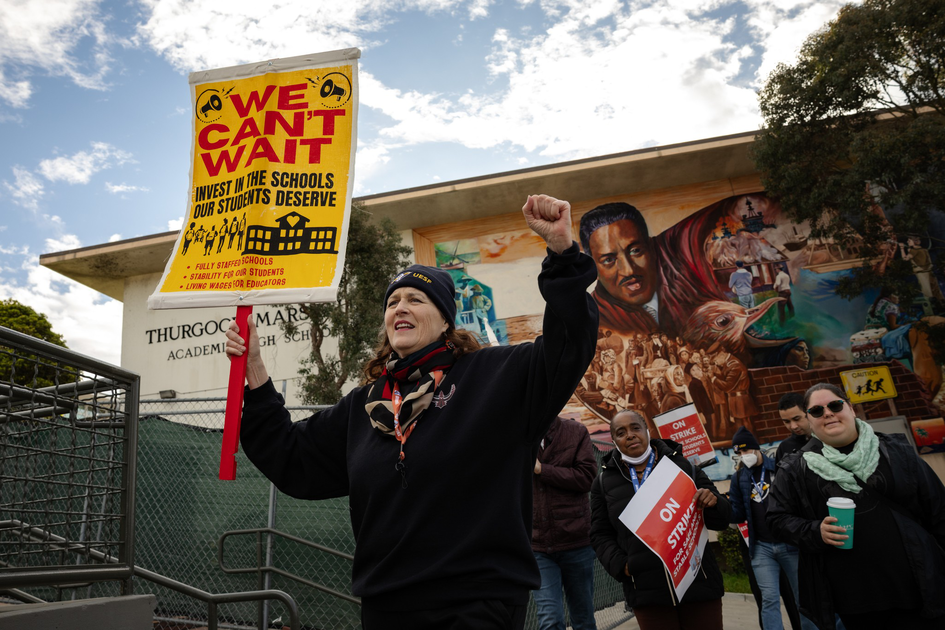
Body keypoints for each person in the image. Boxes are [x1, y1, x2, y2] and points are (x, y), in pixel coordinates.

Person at [224, 194, 599, 630]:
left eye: (416, 299)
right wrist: (254, 368)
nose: (400, 307)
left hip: (476, 602)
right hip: (387, 604)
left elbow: (568, 344)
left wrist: (562, 255)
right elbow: (291, 458)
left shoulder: (497, 377)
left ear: (445, 322)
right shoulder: (364, 405)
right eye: (392, 301)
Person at [767, 383, 945, 630]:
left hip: (918, 587)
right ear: (809, 420)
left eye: (835, 405)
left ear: (850, 408)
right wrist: (814, 531)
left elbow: (938, 510)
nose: (827, 413)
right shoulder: (796, 468)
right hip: (856, 600)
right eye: (817, 411)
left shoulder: (896, 452)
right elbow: (776, 519)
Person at [590, 410, 732, 630]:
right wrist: (623, 566)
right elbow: (600, 534)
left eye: (635, 428)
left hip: (699, 584)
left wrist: (713, 502)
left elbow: (722, 519)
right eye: (621, 432)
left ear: (647, 431)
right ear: (614, 441)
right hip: (648, 592)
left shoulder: (684, 468)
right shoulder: (602, 483)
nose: (630, 435)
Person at [729, 427, 816, 630]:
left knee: (802, 597)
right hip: (761, 548)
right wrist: (720, 508)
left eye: (746, 450)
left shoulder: (779, 468)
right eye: (739, 453)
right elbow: (738, 514)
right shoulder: (739, 478)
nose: (744, 456)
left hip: (789, 544)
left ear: (756, 448)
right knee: (769, 600)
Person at [531, 416, 599, 630]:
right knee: (550, 620)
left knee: (583, 619)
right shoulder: (513, 433)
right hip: (537, 546)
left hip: (576, 542)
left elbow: (587, 478)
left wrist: (543, 470)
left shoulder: (576, 431)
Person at [578, 203, 661, 335]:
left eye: (635, 251)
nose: (629, 270)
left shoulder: (686, 289)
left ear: (651, 248)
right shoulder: (589, 323)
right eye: (608, 260)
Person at [775, 393, 812, 467]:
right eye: (787, 422)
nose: (793, 426)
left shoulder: (827, 437)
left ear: (808, 412)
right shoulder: (784, 448)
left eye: (797, 419)